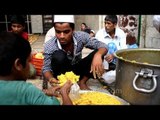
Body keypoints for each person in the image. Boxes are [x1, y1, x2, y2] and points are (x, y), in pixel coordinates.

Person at [0, 31, 73, 105]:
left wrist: (44, 92)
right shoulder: (27, 91)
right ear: (18, 64)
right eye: (29, 61)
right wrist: (64, 93)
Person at [42, 15, 108, 90]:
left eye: (66, 32)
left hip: (77, 68)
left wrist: (98, 55)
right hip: (61, 73)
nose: (62, 36)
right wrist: (50, 78)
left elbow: (103, 45)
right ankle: (64, 85)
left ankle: (82, 82)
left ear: (73, 30)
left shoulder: (81, 36)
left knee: (98, 53)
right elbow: (46, 68)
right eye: (58, 32)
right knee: (58, 56)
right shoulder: (49, 45)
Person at [95, 15, 127, 85]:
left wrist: (113, 55)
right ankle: (104, 74)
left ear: (115, 24)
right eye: (105, 23)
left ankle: (113, 74)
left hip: (116, 61)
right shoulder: (100, 34)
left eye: (109, 23)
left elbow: (123, 49)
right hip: (104, 61)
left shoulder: (121, 33)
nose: (106, 25)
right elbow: (96, 49)